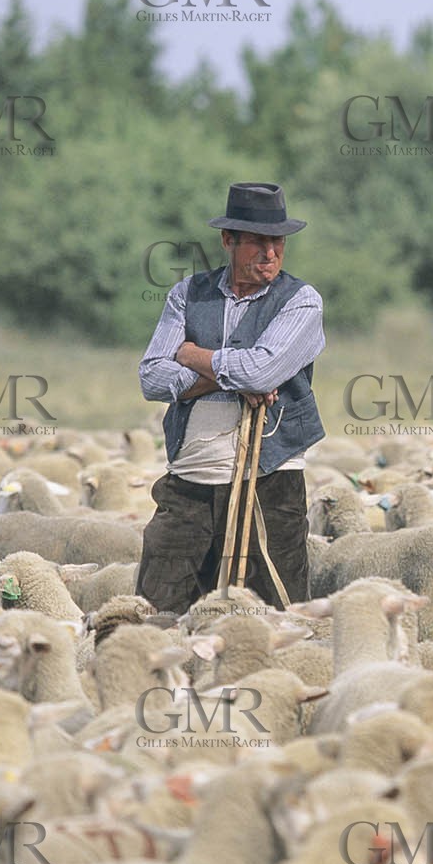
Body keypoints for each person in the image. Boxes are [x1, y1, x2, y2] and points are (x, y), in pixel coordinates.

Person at [136, 182, 325, 613]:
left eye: (277, 241)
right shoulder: (187, 294)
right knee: (156, 610)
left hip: (270, 477)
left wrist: (190, 354)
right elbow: (151, 377)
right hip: (192, 478)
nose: (270, 253)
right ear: (228, 241)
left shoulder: (301, 302)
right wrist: (232, 376)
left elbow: (262, 372)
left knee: (279, 612)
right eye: (257, 242)